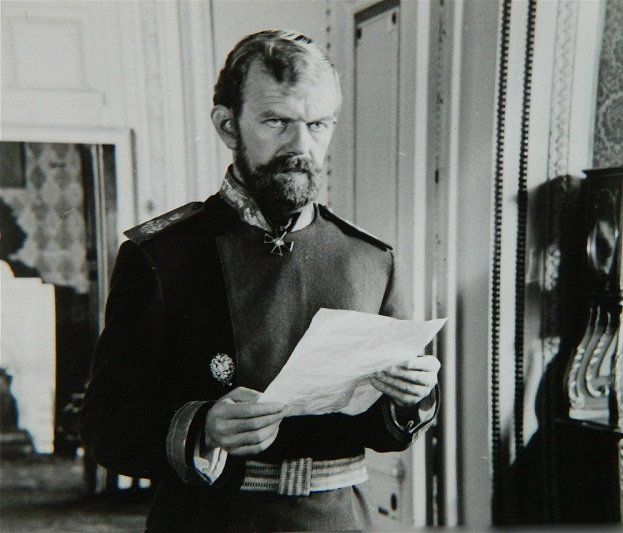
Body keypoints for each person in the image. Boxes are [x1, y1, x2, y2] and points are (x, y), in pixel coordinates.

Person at [80, 30, 440, 532]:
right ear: (228, 126)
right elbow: (104, 424)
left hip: (338, 520)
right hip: (210, 520)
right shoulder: (161, 255)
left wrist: (410, 396)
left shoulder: (371, 260)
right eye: (276, 122)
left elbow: (383, 431)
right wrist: (202, 427)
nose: (301, 146)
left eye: (318, 125)